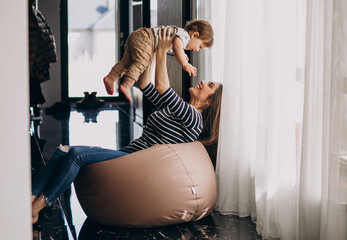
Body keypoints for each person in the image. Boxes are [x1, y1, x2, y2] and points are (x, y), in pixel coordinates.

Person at [32, 27, 223, 224]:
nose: (202, 82)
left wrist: (161, 51)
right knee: (63, 150)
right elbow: (145, 84)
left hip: (134, 161)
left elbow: (162, 87)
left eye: (209, 86)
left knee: (76, 155)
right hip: (129, 156)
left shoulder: (193, 117)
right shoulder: (180, 108)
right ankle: (30, 198)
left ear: (209, 102)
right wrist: (152, 48)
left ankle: (38, 207)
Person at [103, 19, 214, 102]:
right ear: (195, 35)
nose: (196, 50)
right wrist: (185, 64)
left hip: (139, 36)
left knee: (126, 62)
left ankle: (111, 78)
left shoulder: (181, 36)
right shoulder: (184, 36)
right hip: (146, 39)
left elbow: (176, 48)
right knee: (140, 63)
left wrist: (183, 54)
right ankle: (127, 84)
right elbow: (176, 48)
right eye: (200, 46)